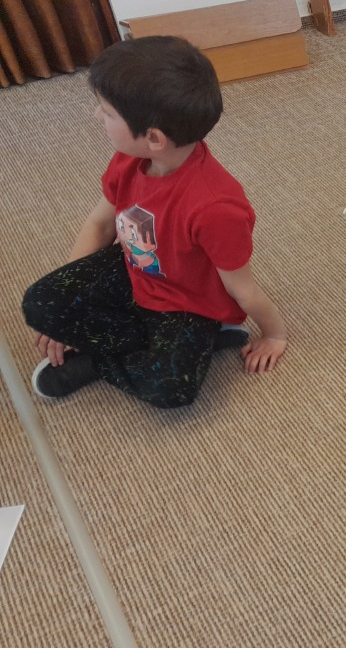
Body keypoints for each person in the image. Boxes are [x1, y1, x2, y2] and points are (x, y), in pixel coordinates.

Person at [21, 36, 287, 408]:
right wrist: (68, 310)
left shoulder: (216, 207)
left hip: (188, 305)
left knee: (170, 388)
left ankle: (103, 360)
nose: (96, 116)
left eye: (107, 112)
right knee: (40, 303)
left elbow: (243, 289)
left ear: (154, 138)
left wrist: (274, 334)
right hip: (134, 271)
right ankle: (175, 344)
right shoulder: (129, 157)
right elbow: (100, 226)